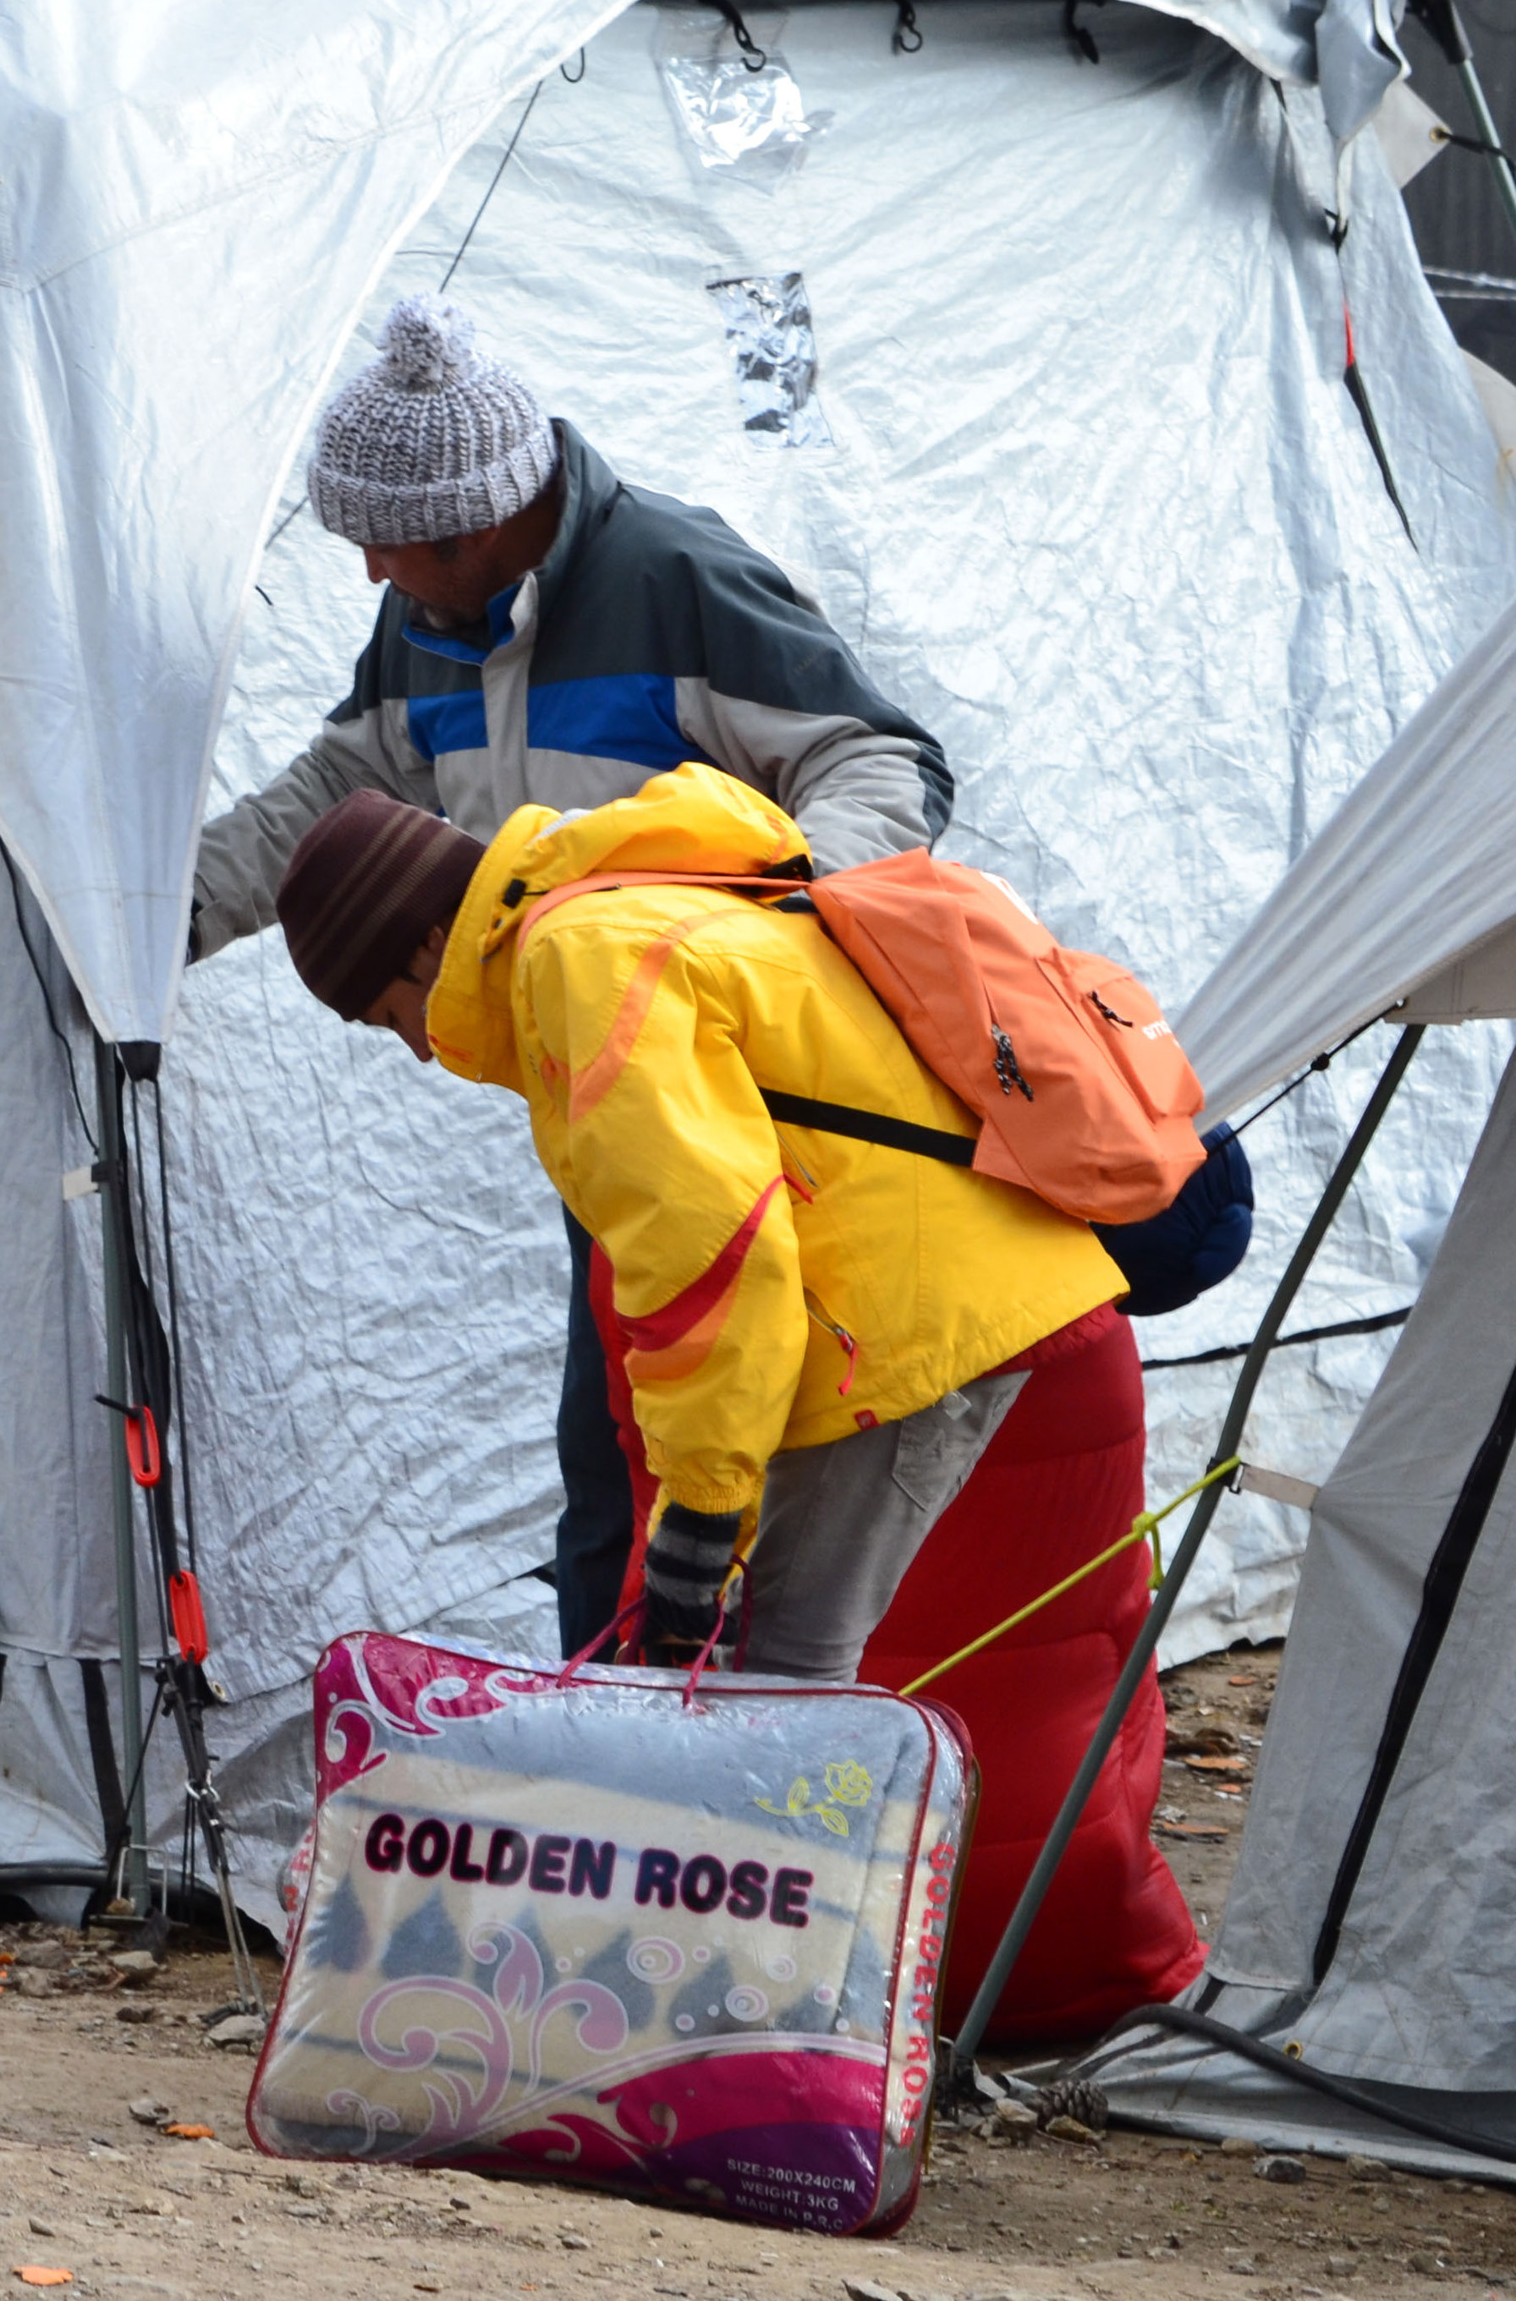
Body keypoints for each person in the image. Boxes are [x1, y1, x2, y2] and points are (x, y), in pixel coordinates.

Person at [184, 294, 955, 1659]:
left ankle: (718, 1756)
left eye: (378, 545)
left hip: (785, 1128)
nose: (366, 575)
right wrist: (149, 928)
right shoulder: (426, 622)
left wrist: (758, 922)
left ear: (471, 525)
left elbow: (880, 762)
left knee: (757, 1478)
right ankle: (606, 1745)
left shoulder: (676, 579)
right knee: (612, 1462)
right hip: (614, 1126)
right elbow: (332, 793)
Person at [270, 772, 1126, 1675]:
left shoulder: (575, 959)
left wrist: (703, 1513)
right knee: (774, 1676)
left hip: (906, 1326)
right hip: (966, 1276)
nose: (419, 1047)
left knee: (775, 1689)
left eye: (392, 1017)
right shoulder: (637, 897)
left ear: (428, 943)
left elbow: (709, 1246)